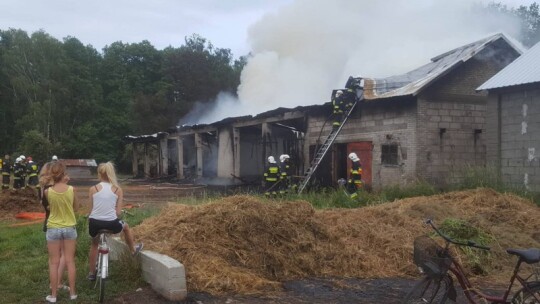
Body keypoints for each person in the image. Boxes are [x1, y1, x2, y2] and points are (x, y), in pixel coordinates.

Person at [87, 162, 143, 281]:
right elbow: (117, 213)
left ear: (99, 174)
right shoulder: (117, 189)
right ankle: (133, 250)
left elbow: (90, 210)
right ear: (111, 174)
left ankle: (91, 273)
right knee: (126, 227)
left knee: (94, 244)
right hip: (111, 224)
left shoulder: (93, 189)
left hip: (95, 224)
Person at [44, 161, 79, 302]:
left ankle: (53, 296)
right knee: (70, 261)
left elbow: (51, 209)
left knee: (54, 263)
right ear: (63, 173)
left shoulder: (48, 192)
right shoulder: (72, 189)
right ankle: (73, 293)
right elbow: (76, 208)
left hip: (53, 228)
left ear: (52, 174)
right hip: (69, 227)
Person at [39, 162, 69, 293]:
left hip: (49, 221)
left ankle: (54, 282)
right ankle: (58, 283)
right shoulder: (54, 188)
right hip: (60, 222)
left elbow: (46, 205)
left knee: (53, 257)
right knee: (64, 254)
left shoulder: (44, 187)